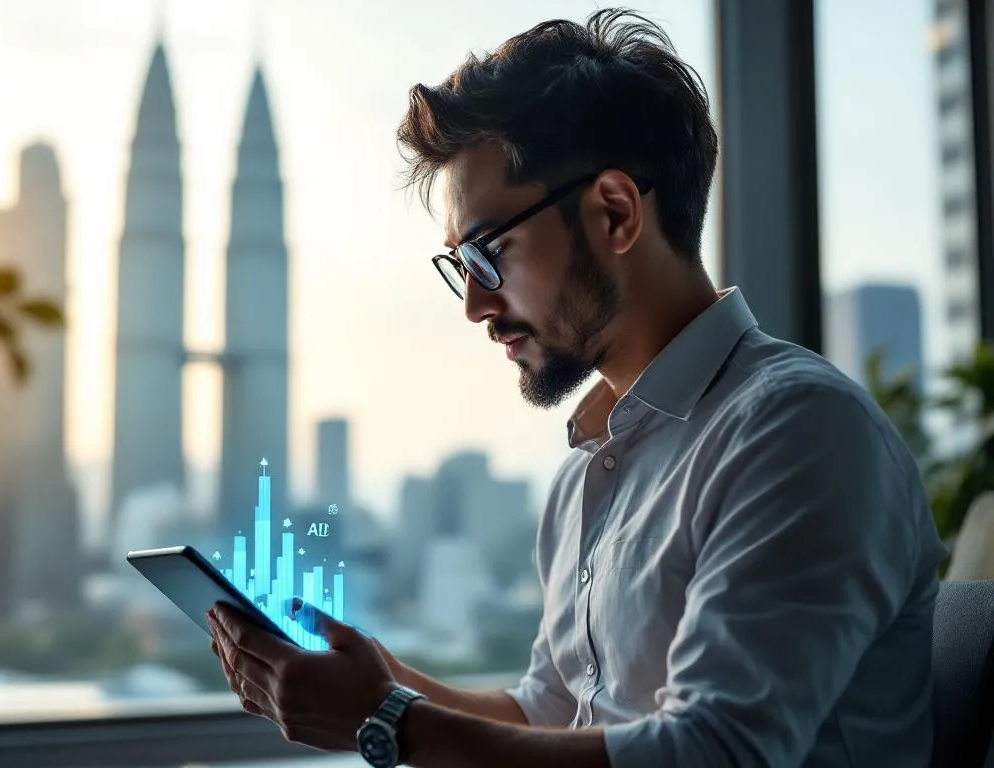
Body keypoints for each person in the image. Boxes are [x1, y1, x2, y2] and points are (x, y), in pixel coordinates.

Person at [207, 9, 947, 767]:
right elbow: (550, 712)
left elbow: (720, 750)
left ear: (615, 213)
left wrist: (391, 722)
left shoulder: (797, 430)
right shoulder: (586, 477)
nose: (474, 304)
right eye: (461, 267)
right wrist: (382, 683)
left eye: (487, 253)